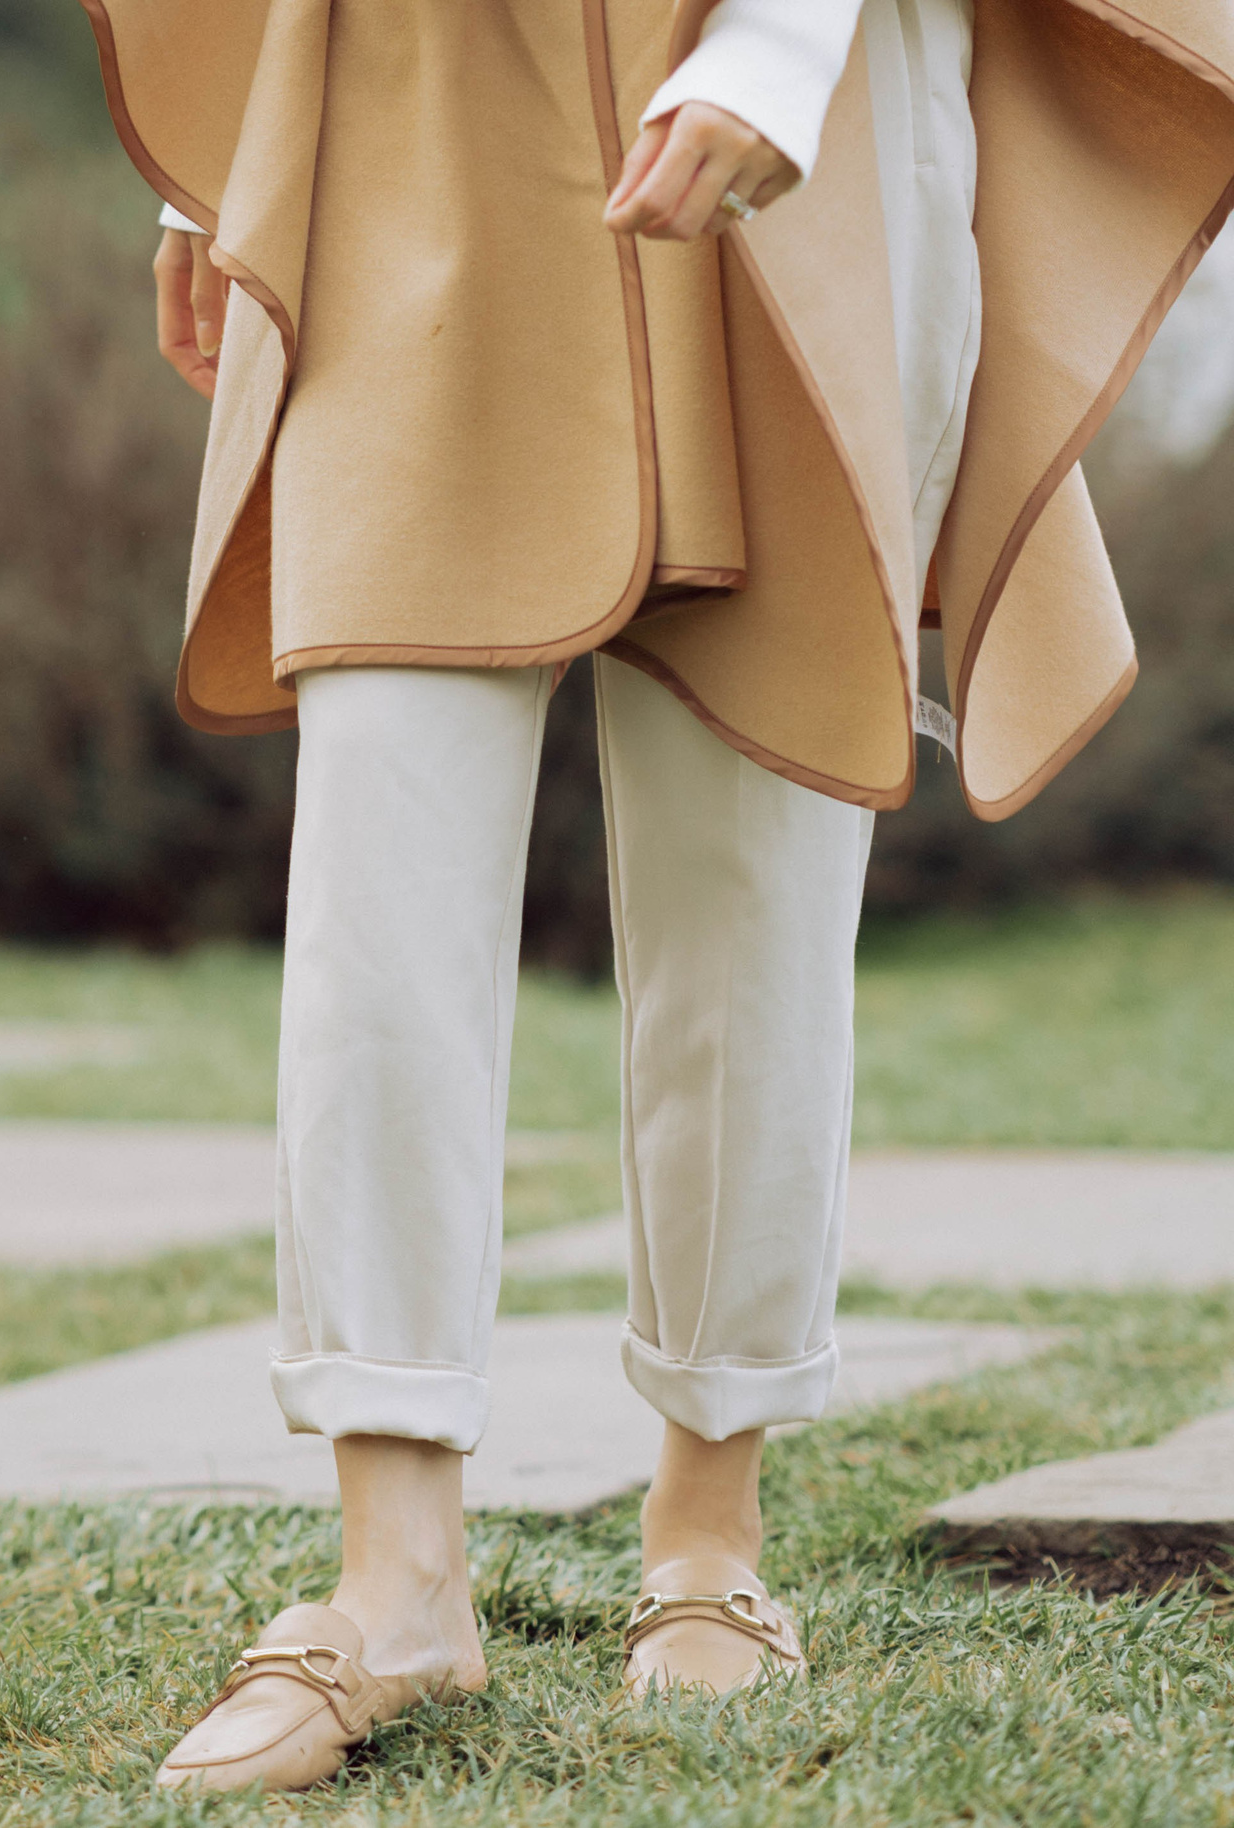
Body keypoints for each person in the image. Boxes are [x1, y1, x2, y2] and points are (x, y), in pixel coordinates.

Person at [82, 0, 1234, 1793]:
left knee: (755, 887)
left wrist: (782, 46)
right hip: (405, 110)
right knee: (377, 856)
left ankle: (711, 1542)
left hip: (792, 125)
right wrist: (222, 162)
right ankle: (394, 1579)